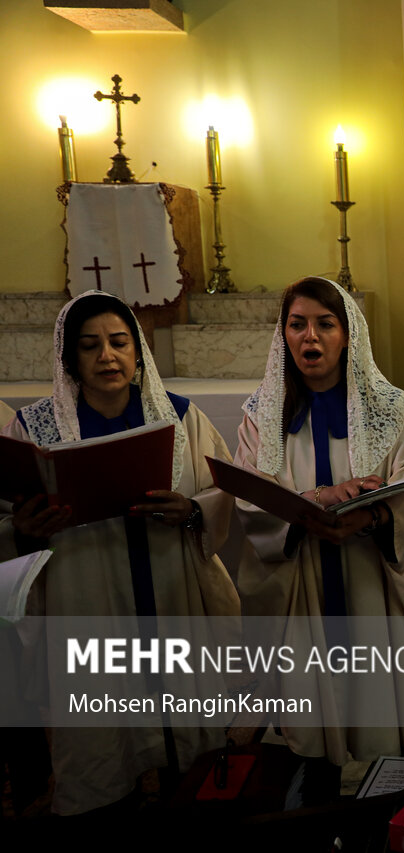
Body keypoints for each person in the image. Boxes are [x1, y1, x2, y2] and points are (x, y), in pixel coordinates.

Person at [0, 290, 240, 816]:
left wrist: (192, 510)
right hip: (84, 599)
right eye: (89, 346)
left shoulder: (180, 419)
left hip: (170, 593)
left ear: (138, 351)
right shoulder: (33, 430)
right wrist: (22, 531)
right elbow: (6, 517)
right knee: (100, 752)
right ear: (69, 358)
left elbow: (221, 490)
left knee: (188, 746)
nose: (107, 356)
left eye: (118, 342)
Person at [233, 276, 404, 799]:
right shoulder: (263, 415)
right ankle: (316, 802)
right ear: (284, 334)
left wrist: (371, 519)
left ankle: (391, 803)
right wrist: (320, 500)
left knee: (385, 720)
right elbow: (250, 496)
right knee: (314, 728)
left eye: (326, 324)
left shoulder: (389, 411)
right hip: (303, 583)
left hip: (369, 579)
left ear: (349, 335)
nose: (311, 337)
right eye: (298, 324)